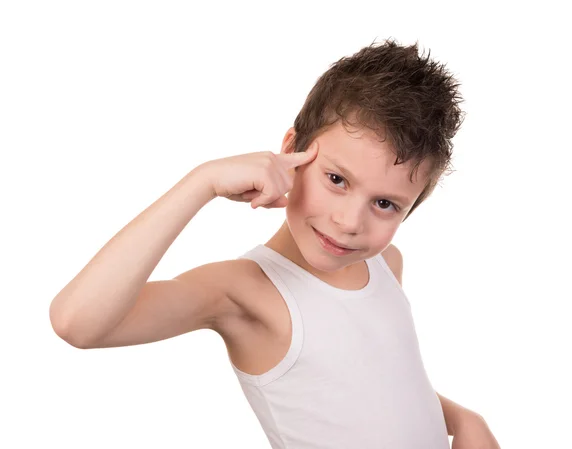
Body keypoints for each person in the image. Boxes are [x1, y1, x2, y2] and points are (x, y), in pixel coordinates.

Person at [49, 38, 500, 449]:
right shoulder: (245, 292)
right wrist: (201, 182)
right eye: (337, 179)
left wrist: (461, 419)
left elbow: (384, 385)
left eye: (385, 203)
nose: (348, 222)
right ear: (292, 150)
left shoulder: (386, 264)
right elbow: (77, 322)